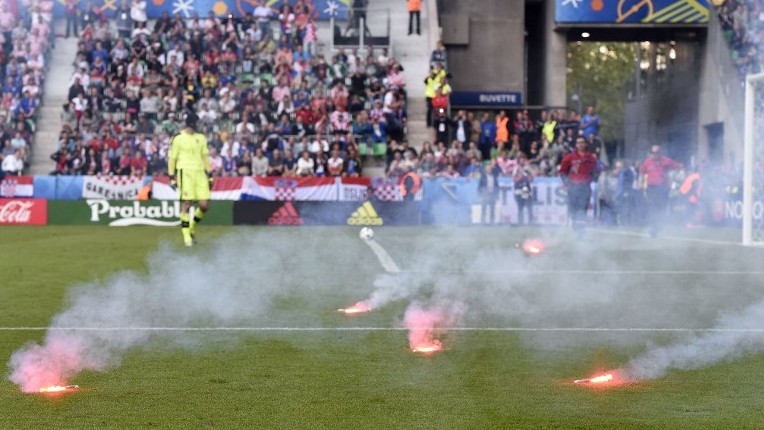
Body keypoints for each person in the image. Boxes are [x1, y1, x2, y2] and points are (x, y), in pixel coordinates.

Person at [167, 112, 213, 247]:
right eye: (197, 123)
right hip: (185, 172)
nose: (199, 126)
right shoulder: (178, 138)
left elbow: (205, 157)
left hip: (200, 173)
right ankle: (187, 237)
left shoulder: (201, 138)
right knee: (187, 203)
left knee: (204, 205)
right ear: (192, 123)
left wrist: (209, 173)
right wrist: (171, 176)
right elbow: (172, 158)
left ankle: (191, 228)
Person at [559, 136, 599, 236]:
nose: (580, 145)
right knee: (573, 210)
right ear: (576, 145)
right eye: (578, 143)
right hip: (573, 188)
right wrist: (568, 183)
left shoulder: (591, 158)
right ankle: (576, 228)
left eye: (582, 142)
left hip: (585, 187)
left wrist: (593, 178)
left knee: (582, 209)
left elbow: (595, 171)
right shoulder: (569, 158)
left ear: (585, 144)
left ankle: (580, 232)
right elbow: (562, 172)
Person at [639, 145, 681, 236]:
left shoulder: (666, 160)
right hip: (651, 188)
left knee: (661, 207)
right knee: (652, 207)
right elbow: (642, 173)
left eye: (657, 152)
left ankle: (659, 225)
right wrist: (640, 183)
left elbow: (677, 166)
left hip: (662, 188)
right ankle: (654, 227)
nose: (655, 155)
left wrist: (671, 178)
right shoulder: (647, 162)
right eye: (653, 153)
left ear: (660, 153)